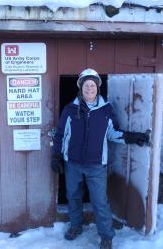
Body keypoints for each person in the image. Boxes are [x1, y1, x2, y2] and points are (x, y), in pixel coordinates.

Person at [51, 68, 149, 249]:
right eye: (86, 85)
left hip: (96, 165)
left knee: (99, 201)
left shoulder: (106, 110)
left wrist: (133, 137)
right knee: (73, 196)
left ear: (97, 88)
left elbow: (113, 133)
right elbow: (60, 134)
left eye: (93, 85)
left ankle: (106, 236)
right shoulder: (70, 109)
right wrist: (56, 155)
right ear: (80, 88)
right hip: (72, 163)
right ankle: (76, 226)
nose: (89, 88)